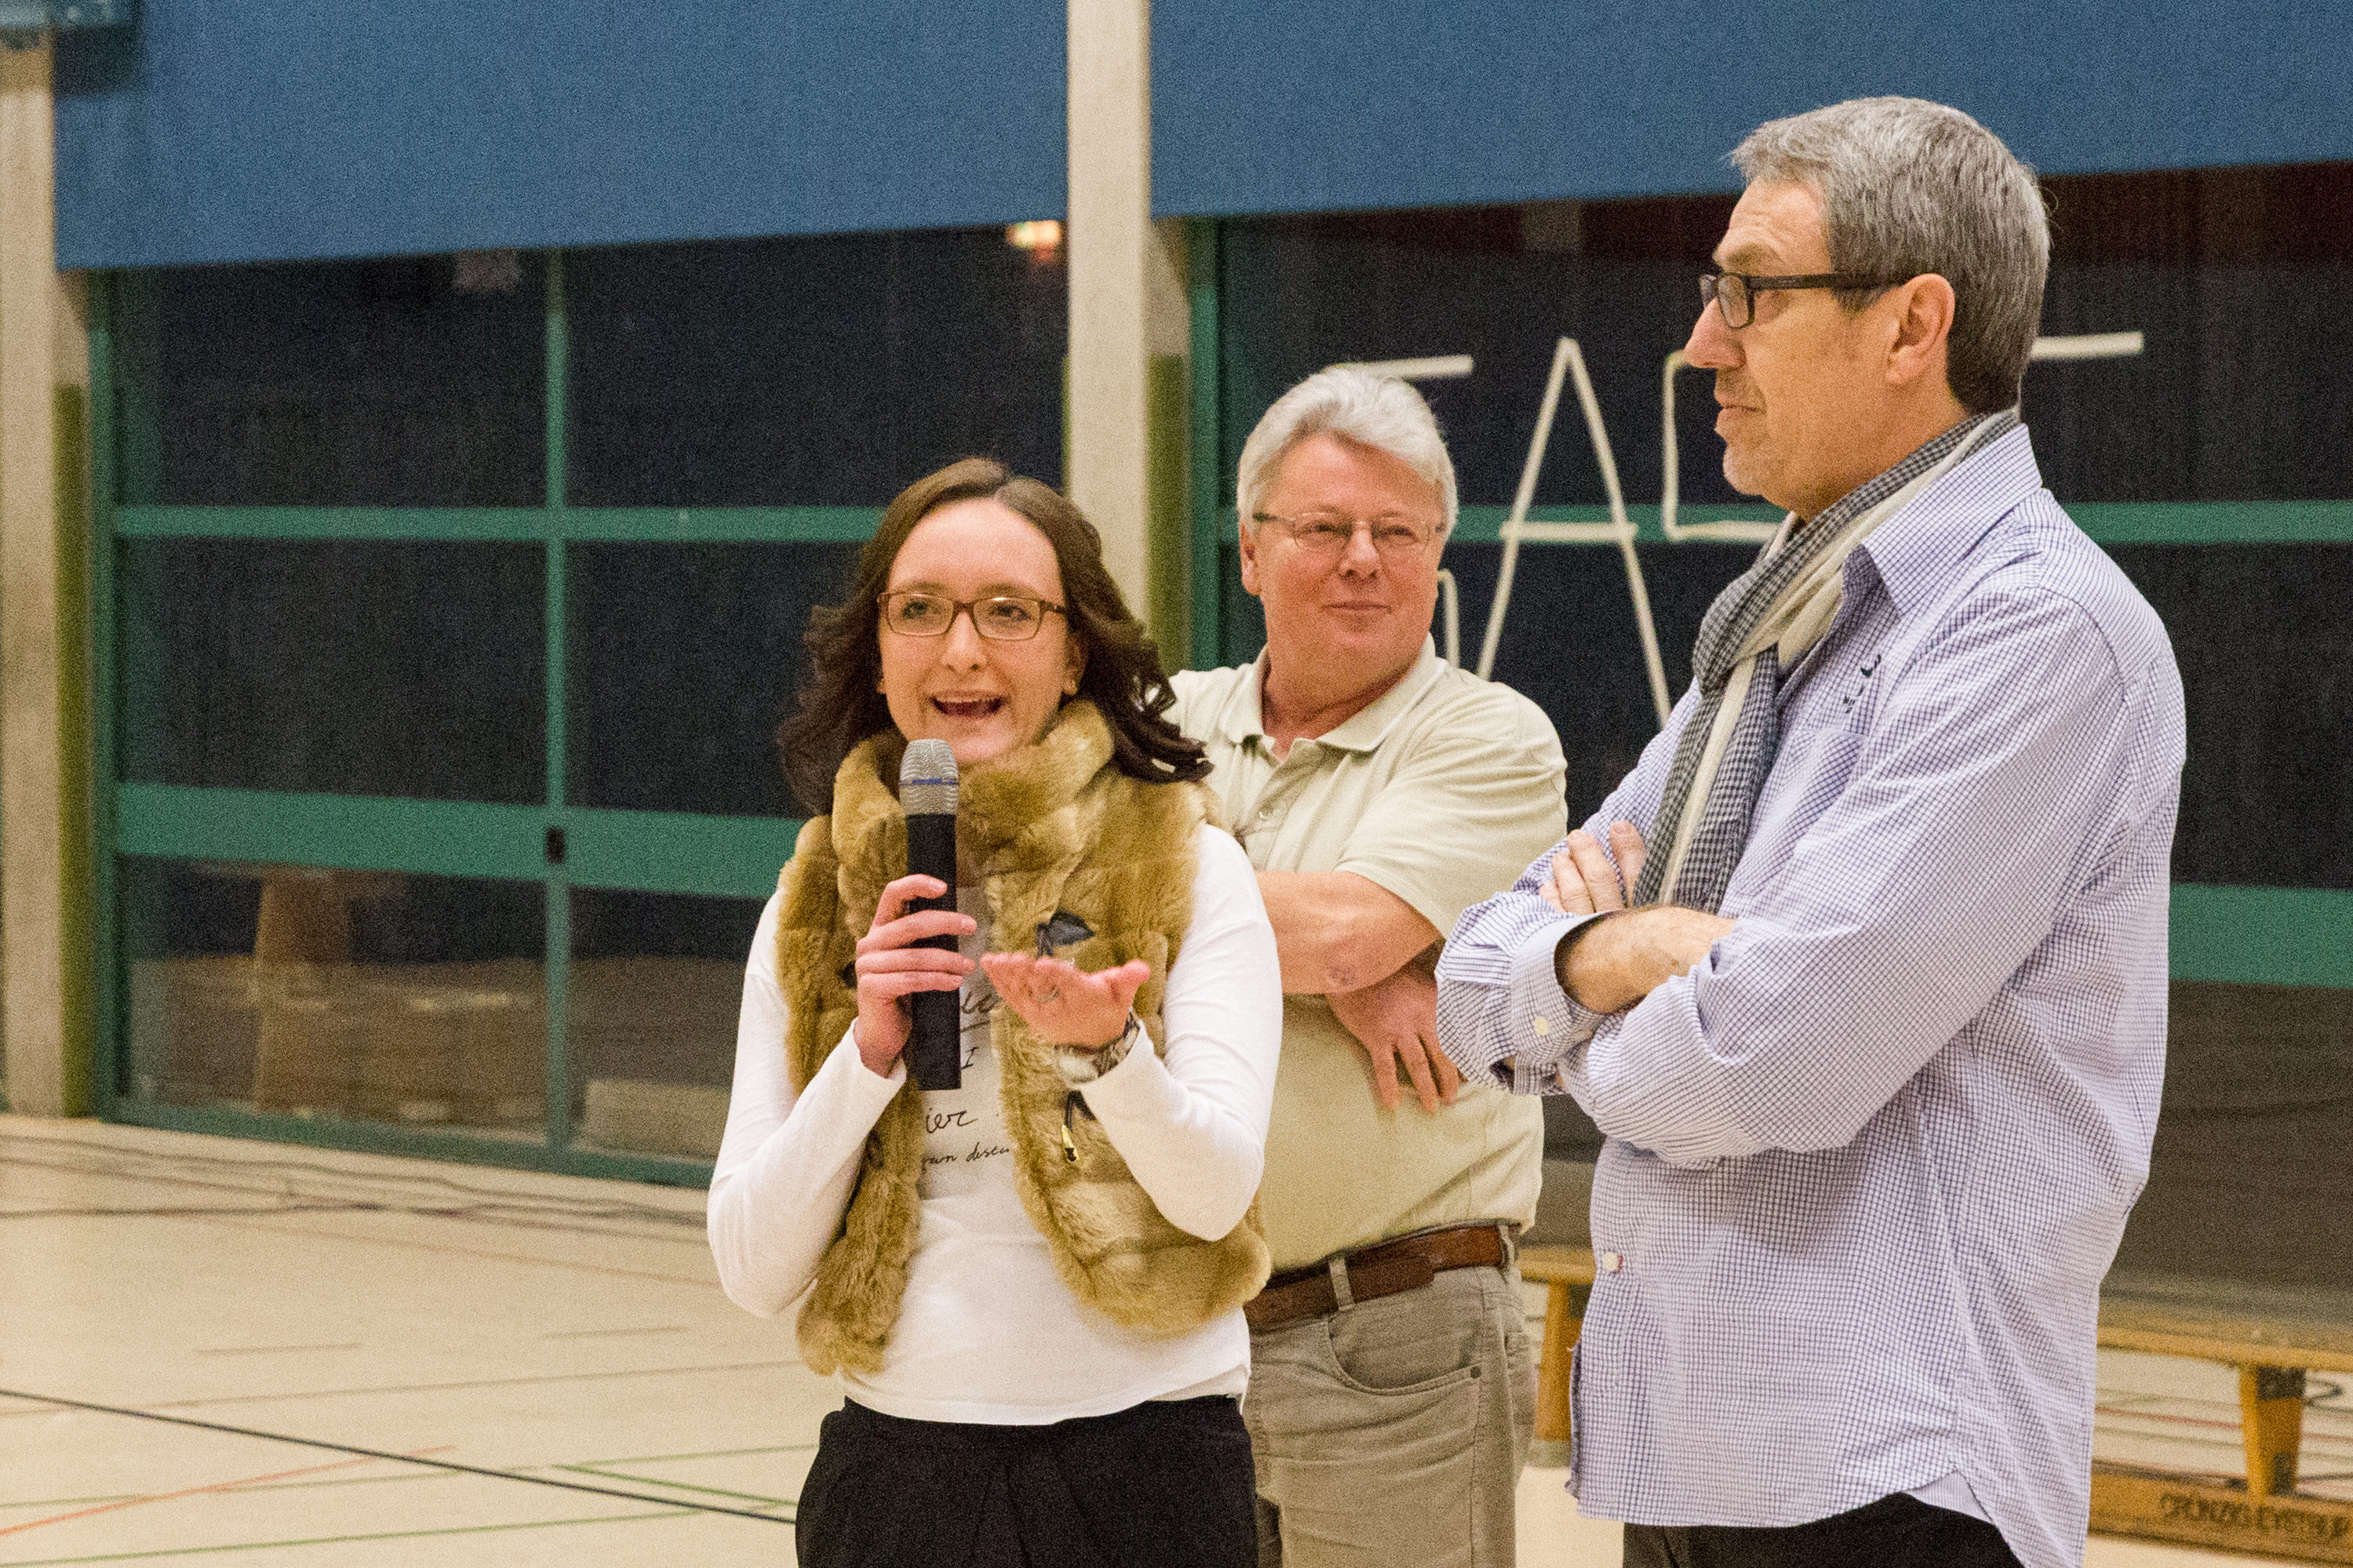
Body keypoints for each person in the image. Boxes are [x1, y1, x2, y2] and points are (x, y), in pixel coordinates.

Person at [1437, 98, 2184, 1568]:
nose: (1702, 344)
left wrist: (1579, 1009)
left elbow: (1767, 1059)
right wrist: (1620, 954)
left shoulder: (2035, 635)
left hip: (1892, 1482)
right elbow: (1475, 980)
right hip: (1700, 1453)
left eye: (1751, 294)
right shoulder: (1788, 626)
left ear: (1912, 326)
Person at [708, 457, 1283, 1568]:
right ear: (878, 651)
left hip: (1145, 1469)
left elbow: (1216, 1200)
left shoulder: (1186, 862)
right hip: (898, 1478)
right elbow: (751, 1269)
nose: (962, 650)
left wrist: (1110, 1053)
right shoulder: (814, 902)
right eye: (920, 611)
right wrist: (867, 1054)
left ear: (1074, 654)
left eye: (1009, 613)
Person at [1167, 366, 1568, 1566]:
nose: (1362, 560)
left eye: (1398, 533)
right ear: (1250, 551)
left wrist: (1339, 955)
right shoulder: (1165, 720)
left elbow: (1345, 928)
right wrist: (1342, 975)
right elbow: (1039, 891)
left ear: (1437, 556)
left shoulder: (1491, 738)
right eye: (1325, 529)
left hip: (1397, 1340)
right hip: (1178, 1343)